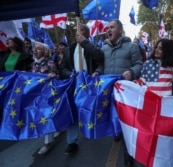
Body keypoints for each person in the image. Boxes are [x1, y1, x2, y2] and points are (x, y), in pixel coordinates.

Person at [89, 19, 143, 167]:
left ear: (119, 30)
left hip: (125, 93)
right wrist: (97, 72)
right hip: (109, 92)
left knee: (127, 123)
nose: (108, 30)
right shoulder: (104, 49)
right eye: (107, 28)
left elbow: (139, 64)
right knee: (113, 116)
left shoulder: (132, 47)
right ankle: (116, 132)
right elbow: (102, 66)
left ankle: (128, 155)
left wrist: (132, 72)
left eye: (112, 27)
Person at [58, 24, 104, 154]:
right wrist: (71, 75)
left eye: (82, 32)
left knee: (90, 111)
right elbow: (62, 68)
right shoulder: (69, 49)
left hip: (89, 86)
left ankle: (93, 131)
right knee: (73, 112)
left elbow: (100, 59)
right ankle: (72, 142)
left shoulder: (92, 47)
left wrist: (84, 42)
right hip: (74, 85)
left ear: (88, 35)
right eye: (77, 32)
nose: (78, 34)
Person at [31, 41, 60, 154]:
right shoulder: (33, 64)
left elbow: (57, 77)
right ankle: (58, 128)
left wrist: (52, 76)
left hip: (48, 94)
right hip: (37, 94)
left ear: (45, 51)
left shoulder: (50, 63)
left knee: (46, 115)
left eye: (38, 48)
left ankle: (47, 142)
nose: (35, 50)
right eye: (35, 48)